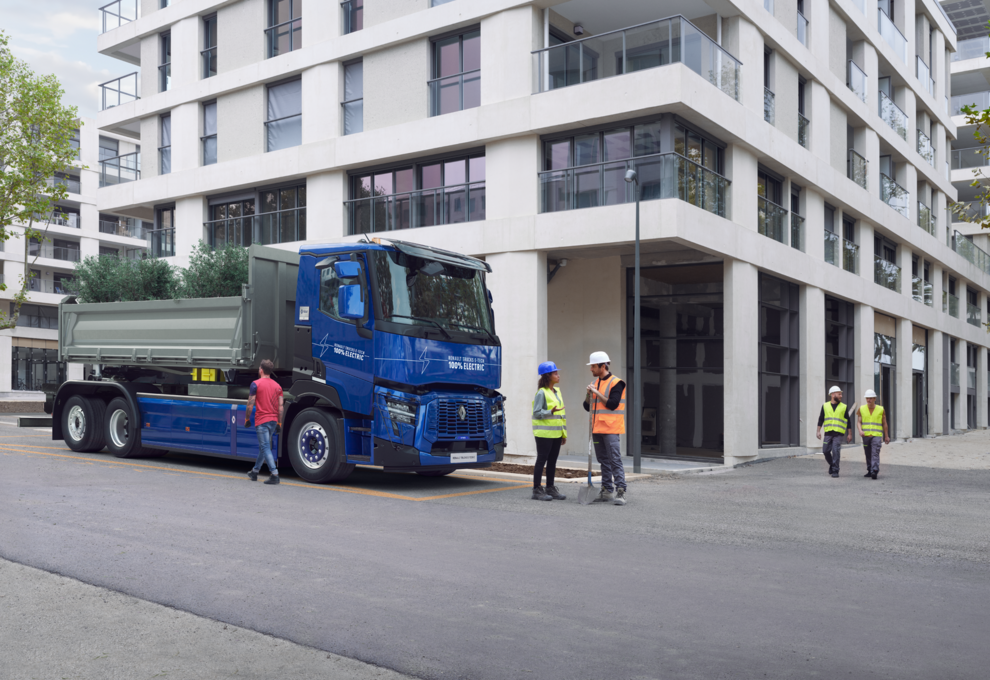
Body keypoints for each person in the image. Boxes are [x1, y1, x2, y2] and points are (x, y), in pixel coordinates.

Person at [582, 351, 627, 506]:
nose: (591, 369)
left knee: (615, 459)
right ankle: (607, 490)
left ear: (603, 366)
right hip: (597, 429)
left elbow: (613, 404)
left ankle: (620, 491)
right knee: (603, 460)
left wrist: (596, 393)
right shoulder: (594, 384)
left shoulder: (617, 383)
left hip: (611, 428)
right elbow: (586, 407)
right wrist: (589, 394)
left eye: (593, 366)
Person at [531, 361, 567, 501]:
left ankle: (550, 488)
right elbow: (536, 413)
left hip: (556, 433)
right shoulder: (541, 393)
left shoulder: (557, 391)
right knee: (541, 460)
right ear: (547, 376)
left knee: (552, 461)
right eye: (555, 373)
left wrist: (563, 434)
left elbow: (561, 416)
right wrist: (549, 411)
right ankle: (536, 489)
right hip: (544, 434)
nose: (558, 375)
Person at [246, 359, 285, 485]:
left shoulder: (255, 384)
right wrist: (279, 423)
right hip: (273, 421)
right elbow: (280, 407)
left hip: (262, 420)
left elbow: (250, 404)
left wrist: (247, 418)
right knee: (263, 447)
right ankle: (255, 472)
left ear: (261, 370)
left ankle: (274, 474)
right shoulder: (278, 386)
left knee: (265, 447)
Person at [816, 386, 853, 478]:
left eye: (841, 394)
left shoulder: (844, 407)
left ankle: (835, 470)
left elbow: (848, 421)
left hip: (838, 434)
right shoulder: (825, 406)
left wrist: (850, 434)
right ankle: (832, 465)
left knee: (836, 451)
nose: (841, 396)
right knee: (825, 451)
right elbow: (821, 419)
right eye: (839, 394)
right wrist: (818, 431)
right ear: (833, 395)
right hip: (828, 433)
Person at [857, 389, 889, 480]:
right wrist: (860, 430)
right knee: (868, 453)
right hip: (865, 435)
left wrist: (886, 436)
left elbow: (884, 423)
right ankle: (869, 470)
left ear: (875, 398)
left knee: (875, 452)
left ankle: (874, 470)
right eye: (867, 398)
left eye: (870, 398)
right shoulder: (861, 409)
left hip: (877, 435)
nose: (868, 400)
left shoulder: (880, 409)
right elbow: (859, 422)